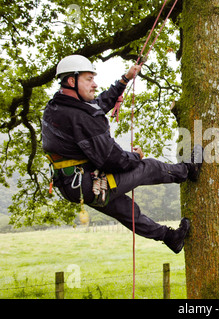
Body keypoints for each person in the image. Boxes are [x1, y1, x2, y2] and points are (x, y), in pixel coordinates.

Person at [42, 55, 203, 254]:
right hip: (87, 183)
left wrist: (124, 80)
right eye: (88, 79)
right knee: (148, 167)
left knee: (126, 211)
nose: (95, 84)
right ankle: (188, 170)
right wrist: (136, 157)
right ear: (72, 81)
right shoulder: (79, 117)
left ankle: (171, 238)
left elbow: (97, 104)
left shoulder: (57, 107)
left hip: (72, 185)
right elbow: (112, 159)